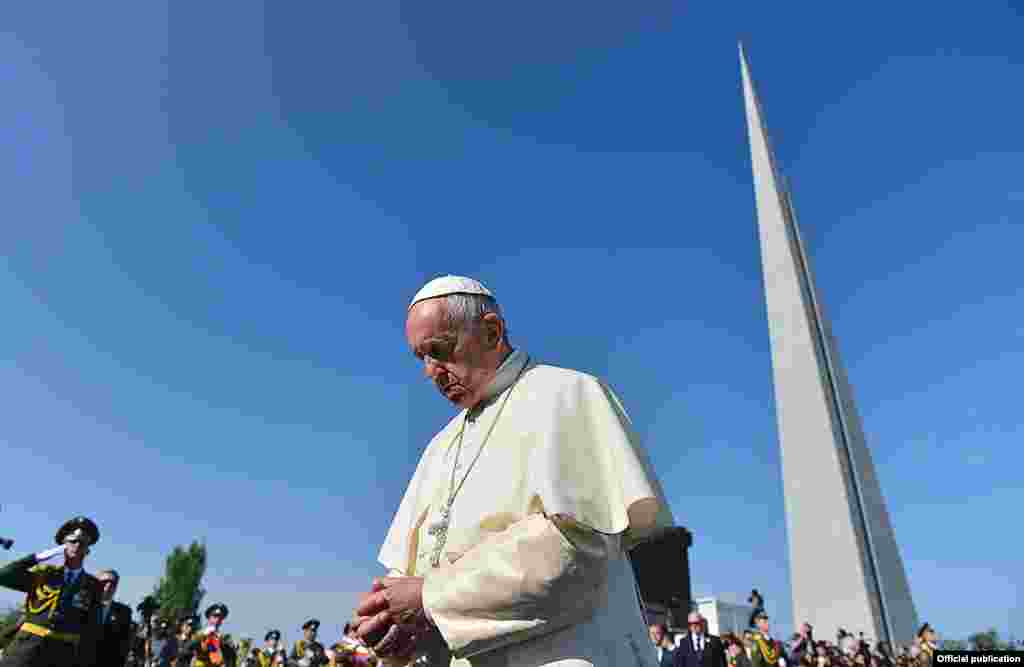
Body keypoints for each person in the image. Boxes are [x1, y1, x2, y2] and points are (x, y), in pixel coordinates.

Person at [351, 275, 674, 666]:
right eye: (421, 357)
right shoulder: (439, 448)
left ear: (491, 331)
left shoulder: (566, 394)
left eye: (440, 350)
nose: (431, 371)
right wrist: (400, 626)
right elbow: (409, 581)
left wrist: (429, 599)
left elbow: (578, 548)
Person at [0, 516, 102, 667]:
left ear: (88, 550)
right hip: (26, 651)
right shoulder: (44, 574)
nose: (77, 546)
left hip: (61, 655)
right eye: (72, 541)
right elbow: (3, 576)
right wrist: (35, 558)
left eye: (82, 543)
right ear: (62, 546)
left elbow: (91, 629)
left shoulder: (93, 585)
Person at [80, 568, 135, 666]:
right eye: (104, 582)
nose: (108, 585)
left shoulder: (124, 612)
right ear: (96, 584)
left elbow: (124, 644)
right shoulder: (84, 605)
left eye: (113, 583)